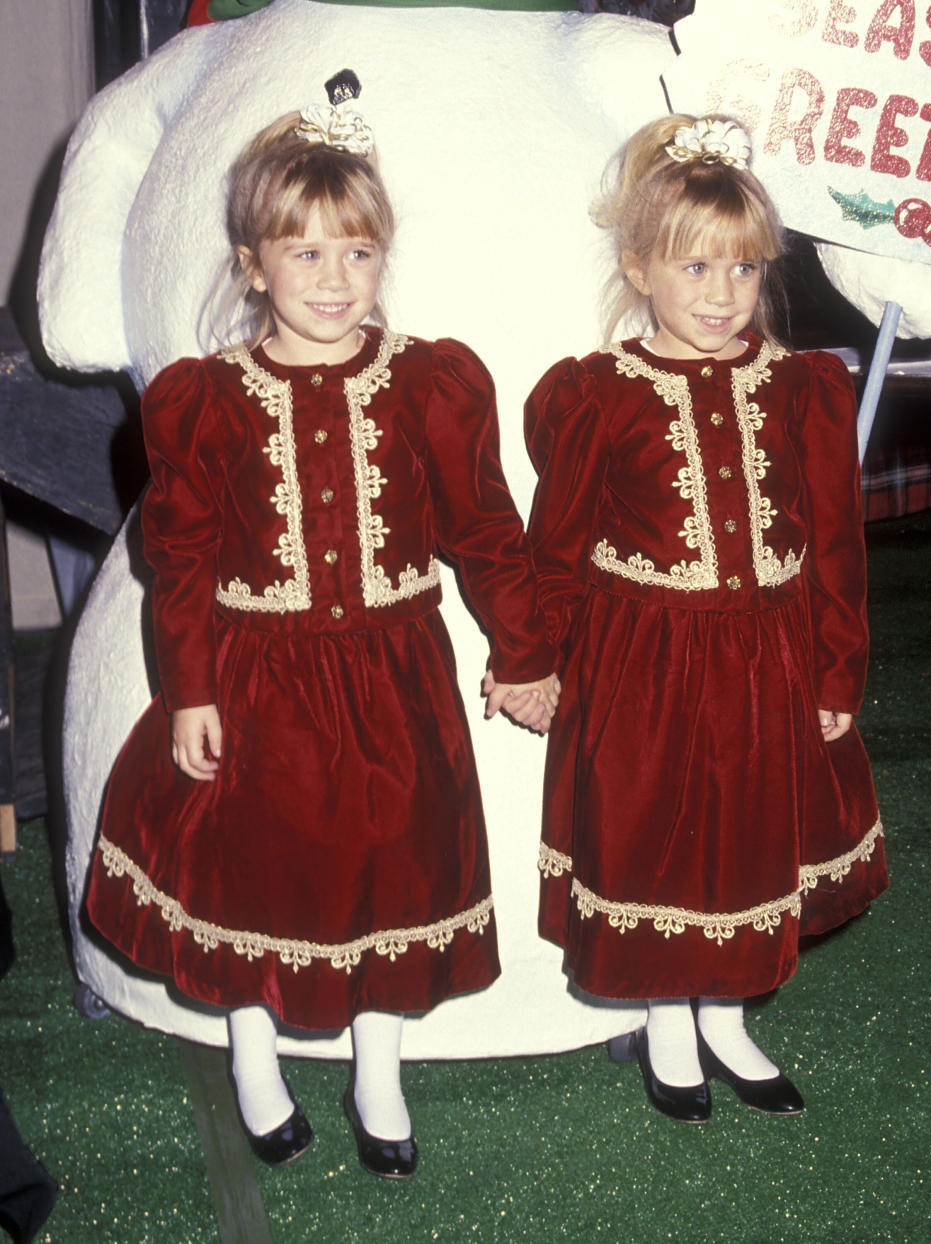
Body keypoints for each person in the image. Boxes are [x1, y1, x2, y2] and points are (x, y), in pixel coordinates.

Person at [84, 71, 559, 1177]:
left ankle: (375, 1066)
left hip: (394, 673)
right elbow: (183, 558)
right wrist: (190, 685)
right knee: (258, 867)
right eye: (305, 253)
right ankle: (255, 1050)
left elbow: (487, 526)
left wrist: (525, 649)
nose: (335, 279)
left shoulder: (429, 384)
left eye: (358, 251)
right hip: (259, 677)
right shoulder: (203, 401)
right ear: (252, 265)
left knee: (391, 867)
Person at [525, 115, 887, 1123]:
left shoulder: (800, 387)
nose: (723, 295)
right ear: (640, 267)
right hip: (645, 662)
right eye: (695, 268)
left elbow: (834, 544)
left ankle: (728, 1014)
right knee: (658, 837)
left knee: (746, 837)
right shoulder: (596, 395)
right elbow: (555, 544)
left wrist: (833, 669)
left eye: (743, 270)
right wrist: (537, 657)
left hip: (766, 654)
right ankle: (665, 1018)